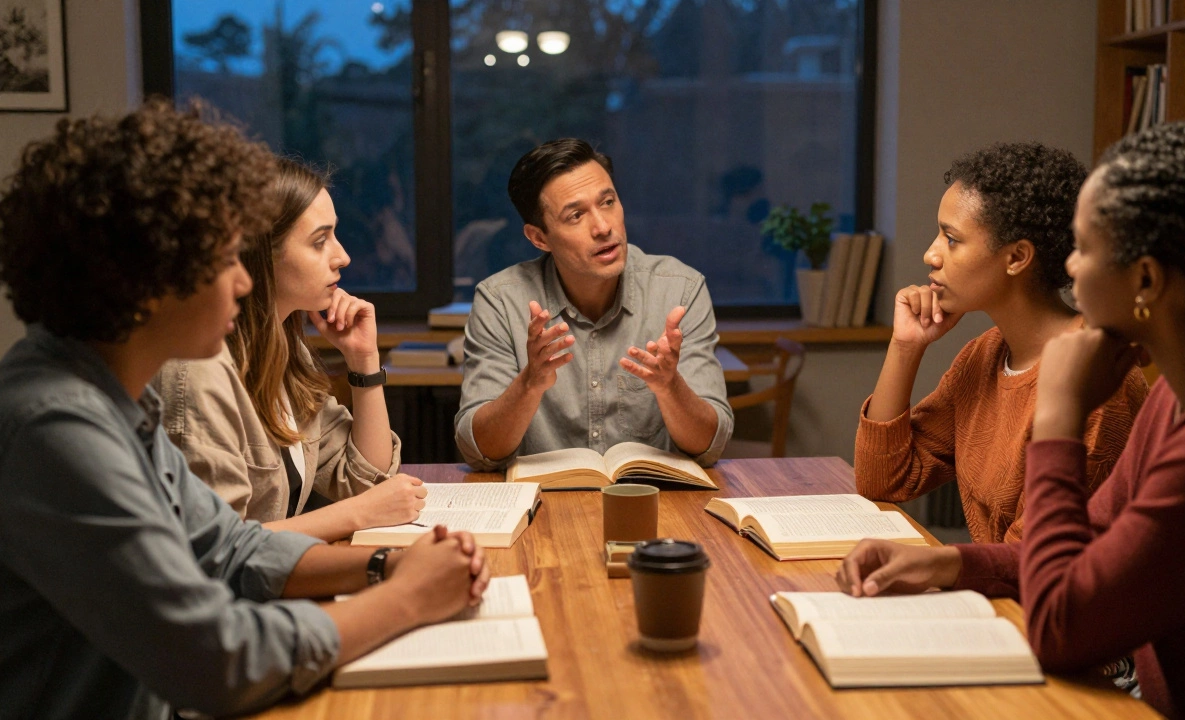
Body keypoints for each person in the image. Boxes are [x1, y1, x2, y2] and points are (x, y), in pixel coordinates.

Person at [0, 101, 489, 719]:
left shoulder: (114, 395)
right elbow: (215, 660)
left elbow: (230, 549)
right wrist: (408, 598)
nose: (243, 281)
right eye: (226, 258)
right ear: (150, 275)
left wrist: (385, 565)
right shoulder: (55, 425)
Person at [839, 121, 1185, 718]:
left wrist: (1060, 416)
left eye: (1084, 249)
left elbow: (1059, 625)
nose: (1069, 267)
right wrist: (950, 560)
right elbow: (1091, 547)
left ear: (1145, 280)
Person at [854, 142, 1147, 543]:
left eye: (951, 239)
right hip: (998, 595)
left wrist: (938, 568)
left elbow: (1034, 559)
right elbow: (882, 481)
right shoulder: (986, 353)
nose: (930, 254)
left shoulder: (1096, 377)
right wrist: (906, 347)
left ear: (1016, 258)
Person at [154, 157, 423, 543]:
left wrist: (364, 364)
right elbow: (214, 549)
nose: (342, 256)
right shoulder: (195, 373)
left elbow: (364, 479)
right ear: (260, 256)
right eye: (319, 241)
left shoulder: (282, 346)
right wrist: (357, 515)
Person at [455, 138, 733, 470]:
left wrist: (670, 387)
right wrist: (530, 383)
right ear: (539, 237)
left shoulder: (680, 290)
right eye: (575, 215)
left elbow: (710, 446)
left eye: (608, 202)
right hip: (543, 506)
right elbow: (478, 451)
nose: (603, 227)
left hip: (653, 502)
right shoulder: (500, 300)